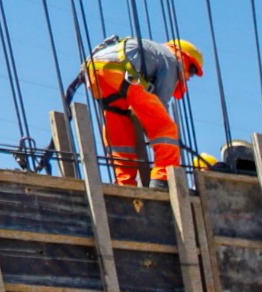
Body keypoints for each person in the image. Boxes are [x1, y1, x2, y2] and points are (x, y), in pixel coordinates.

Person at [80, 36, 204, 186]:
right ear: (182, 56)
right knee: (166, 128)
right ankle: (162, 178)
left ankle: (124, 182)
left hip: (95, 71)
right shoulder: (170, 58)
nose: (189, 77)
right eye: (191, 70)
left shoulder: (153, 52)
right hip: (121, 72)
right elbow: (160, 104)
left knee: (120, 130)